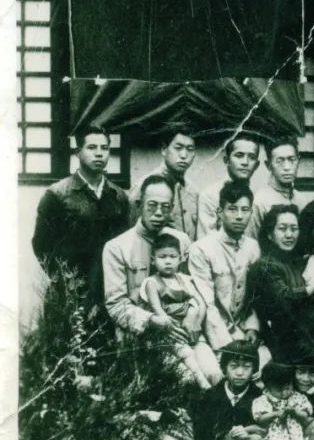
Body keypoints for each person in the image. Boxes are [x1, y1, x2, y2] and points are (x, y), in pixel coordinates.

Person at [32, 125, 130, 303]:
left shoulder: (119, 196)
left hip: (110, 290)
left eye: (104, 148)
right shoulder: (57, 195)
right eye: (92, 147)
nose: (99, 154)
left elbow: (125, 243)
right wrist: (64, 280)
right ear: (78, 152)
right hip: (70, 292)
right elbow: (41, 245)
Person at [248, 204, 314, 363]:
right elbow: (285, 299)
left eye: (294, 229)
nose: (289, 235)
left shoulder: (298, 262)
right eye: (282, 229)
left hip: (308, 334)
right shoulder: (265, 266)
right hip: (283, 340)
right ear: (270, 234)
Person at [102, 175, 192, 337]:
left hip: (179, 328)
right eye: (152, 205)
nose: (158, 213)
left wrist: (191, 317)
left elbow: (190, 290)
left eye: (165, 207)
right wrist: (152, 320)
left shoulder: (181, 241)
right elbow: (116, 305)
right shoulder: (117, 247)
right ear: (139, 205)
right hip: (137, 334)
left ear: (172, 208)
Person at [188, 181, 262, 352]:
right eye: (232, 209)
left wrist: (252, 327)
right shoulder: (201, 249)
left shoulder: (253, 247)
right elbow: (207, 304)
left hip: (243, 330)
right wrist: (228, 347)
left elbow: (254, 297)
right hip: (211, 335)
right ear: (220, 213)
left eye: (245, 210)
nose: (239, 216)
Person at [140, 233, 218, 389]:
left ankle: (214, 391)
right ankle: (203, 385)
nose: (168, 261)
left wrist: (194, 321)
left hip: (191, 330)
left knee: (212, 369)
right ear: (153, 260)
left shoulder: (185, 279)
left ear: (181, 258)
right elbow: (158, 310)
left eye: (173, 256)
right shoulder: (152, 283)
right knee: (187, 359)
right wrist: (171, 326)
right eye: (162, 257)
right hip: (170, 332)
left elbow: (199, 302)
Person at [129, 128, 202, 240]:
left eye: (190, 149)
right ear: (164, 149)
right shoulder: (144, 187)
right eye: (178, 148)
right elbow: (133, 234)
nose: (184, 155)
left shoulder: (194, 191)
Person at [197, 132, 262, 237]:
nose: (245, 162)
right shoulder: (210, 195)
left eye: (251, 157)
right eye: (239, 155)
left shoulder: (259, 196)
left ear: (257, 165)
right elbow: (206, 240)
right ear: (226, 160)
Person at [248, 138, 299, 240]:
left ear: (298, 160)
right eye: (279, 161)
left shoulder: (302, 199)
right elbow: (251, 242)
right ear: (268, 165)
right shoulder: (259, 202)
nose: (287, 167)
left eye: (291, 160)